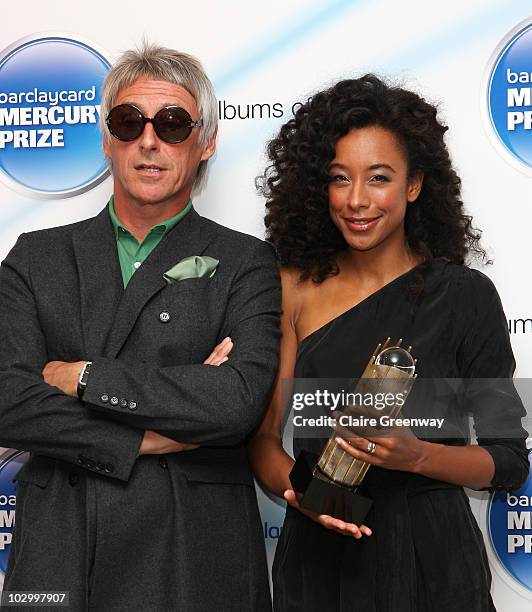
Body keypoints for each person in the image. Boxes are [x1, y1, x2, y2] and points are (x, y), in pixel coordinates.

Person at [0, 43, 280, 611]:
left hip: (193, 549)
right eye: (130, 123)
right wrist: (148, 438)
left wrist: (80, 377)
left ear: (206, 143)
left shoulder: (246, 261)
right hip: (59, 547)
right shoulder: (36, 257)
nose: (149, 141)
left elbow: (235, 402)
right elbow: (7, 399)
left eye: (173, 124)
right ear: (107, 139)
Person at [249, 75, 530, 612]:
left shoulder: (465, 296)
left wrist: (419, 455)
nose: (356, 201)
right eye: (339, 178)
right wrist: (314, 502)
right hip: (321, 554)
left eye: (378, 178)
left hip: (434, 558)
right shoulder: (292, 289)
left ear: (414, 184)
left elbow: (507, 459)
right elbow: (263, 439)